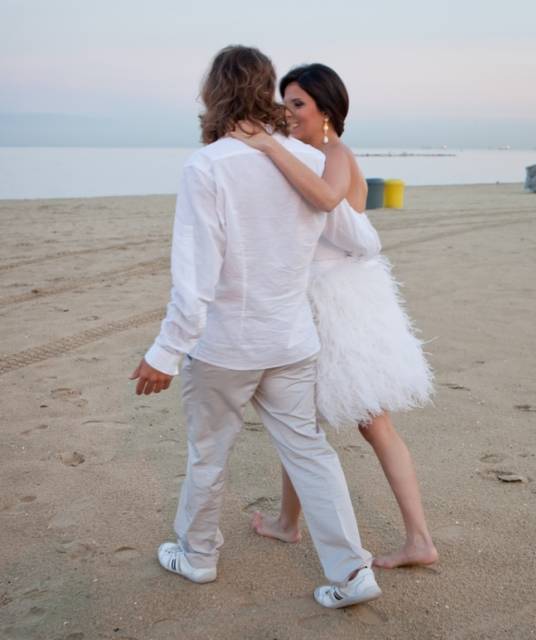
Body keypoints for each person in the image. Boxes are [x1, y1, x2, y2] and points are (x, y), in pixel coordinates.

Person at [129, 46, 381, 608]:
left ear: (213, 93)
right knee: (310, 453)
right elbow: (359, 238)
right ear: (267, 89)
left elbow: (196, 279)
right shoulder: (309, 160)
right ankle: (352, 571)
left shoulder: (207, 166)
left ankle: (197, 556)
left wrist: (165, 354)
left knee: (208, 452)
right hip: (291, 339)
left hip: (225, 345)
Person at [229, 63, 437, 569]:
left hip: (338, 304)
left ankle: (419, 540)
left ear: (326, 108)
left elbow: (325, 200)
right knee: (298, 419)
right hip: (316, 296)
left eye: (298, 103)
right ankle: (287, 522)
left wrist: (269, 147)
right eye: (286, 103)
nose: (288, 112)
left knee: (368, 423)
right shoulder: (309, 155)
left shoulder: (335, 154)